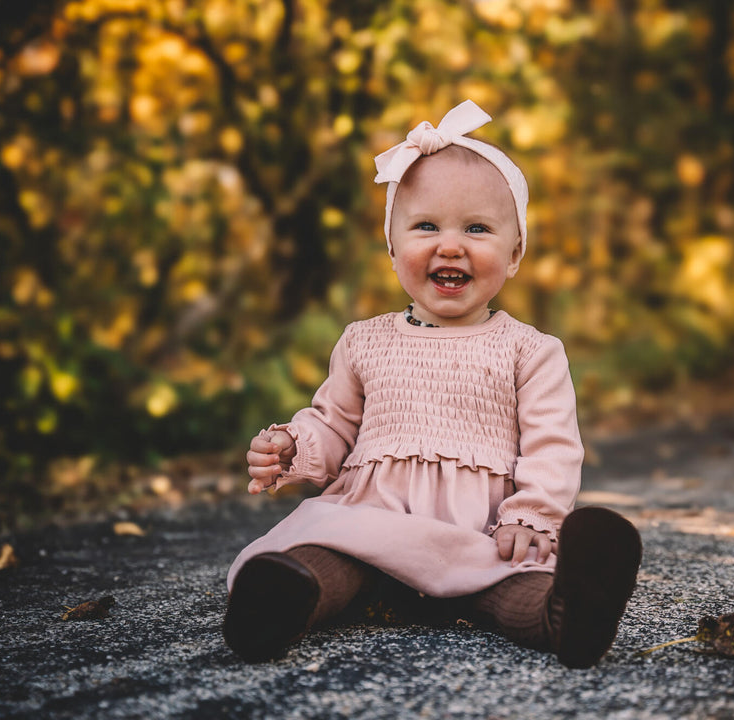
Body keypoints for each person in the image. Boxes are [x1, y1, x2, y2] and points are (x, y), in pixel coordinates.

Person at [223, 100, 642, 669]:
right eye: (426, 226)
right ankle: (279, 607)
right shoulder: (363, 340)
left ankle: (567, 613)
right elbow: (333, 424)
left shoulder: (532, 351)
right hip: (374, 525)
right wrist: (295, 446)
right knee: (326, 558)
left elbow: (552, 445)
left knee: (513, 576)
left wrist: (531, 516)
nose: (450, 245)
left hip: (481, 533)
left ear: (514, 253)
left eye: (477, 228)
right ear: (393, 248)